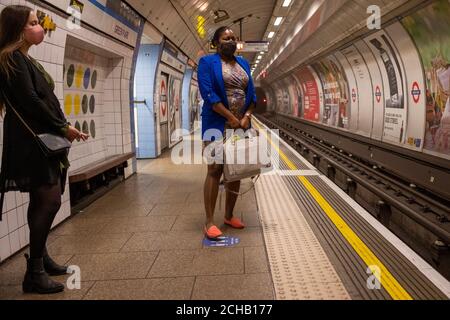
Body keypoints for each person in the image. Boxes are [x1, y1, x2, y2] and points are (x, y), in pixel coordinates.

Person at [0, 5, 89, 294]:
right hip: (32, 143)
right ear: (18, 28)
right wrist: (63, 128)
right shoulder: (11, 58)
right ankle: (34, 272)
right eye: (35, 23)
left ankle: (41, 258)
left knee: (42, 200)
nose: (40, 28)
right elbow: (31, 102)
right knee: (49, 200)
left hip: (42, 140)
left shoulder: (25, 59)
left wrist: (61, 126)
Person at [198, 27, 257, 239]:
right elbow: (209, 94)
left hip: (240, 125)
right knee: (215, 169)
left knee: (235, 171)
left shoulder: (243, 63)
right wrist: (230, 117)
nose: (230, 41)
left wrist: (247, 116)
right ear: (216, 42)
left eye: (233, 38)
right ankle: (209, 222)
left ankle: (229, 216)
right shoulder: (207, 63)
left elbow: (252, 94)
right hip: (216, 123)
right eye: (226, 38)